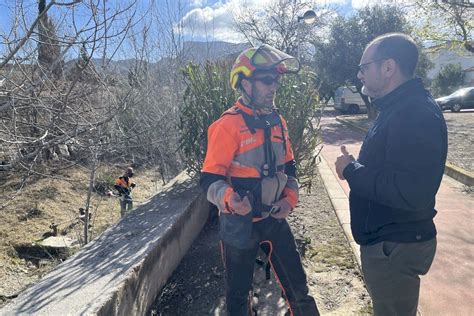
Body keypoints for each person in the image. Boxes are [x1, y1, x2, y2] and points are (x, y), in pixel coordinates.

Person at [200, 44, 319, 316]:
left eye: (276, 79)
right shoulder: (227, 125)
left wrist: (290, 200)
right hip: (238, 224)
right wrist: (230, 200)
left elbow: (290, 170)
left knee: (299, 288)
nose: (273, 86)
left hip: (275, 219)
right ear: (245, 83)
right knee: (239, 297)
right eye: (267, 80)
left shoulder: (279, 122)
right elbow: (209, 180)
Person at [335, 33, 448, 316]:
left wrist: (350, 170)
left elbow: (411, 190)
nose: (360, 75)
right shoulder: (397, 107)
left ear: (388, 68)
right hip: (389, 241)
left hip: (395, 245)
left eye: (364, 67)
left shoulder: (414, 113)